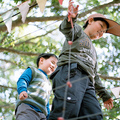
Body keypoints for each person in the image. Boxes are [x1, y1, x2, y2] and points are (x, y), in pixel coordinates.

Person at [49, 0, 120, 120]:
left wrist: (104, 95)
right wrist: (71, 18)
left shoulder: (93, 51)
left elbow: (95, 75)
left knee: (95, 115)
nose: (101, 32)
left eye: (104, 32)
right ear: (90, 21)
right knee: (67, 110)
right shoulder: (78, 32)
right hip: (72, 72)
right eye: (101, 26)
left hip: (88, 84)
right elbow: (67, 28)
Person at [15, 53, 58, 120]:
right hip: (28, 108)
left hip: (42, 115)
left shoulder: (49, 84)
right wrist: (22, 90)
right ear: (41, 60)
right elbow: (23, 80)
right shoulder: (33, 70)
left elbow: (46, 101)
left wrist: (48, 115)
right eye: (52, 62)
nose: (54, 66)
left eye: (55, 66)